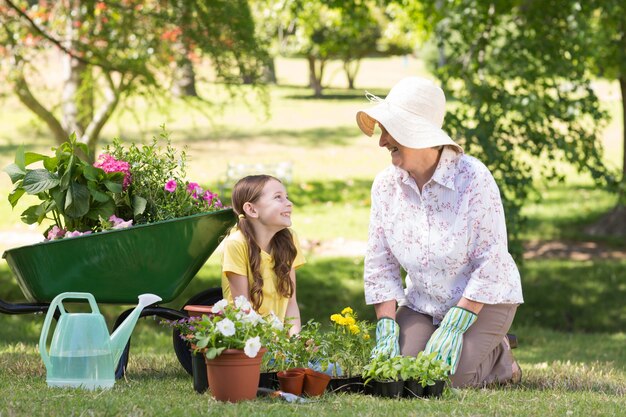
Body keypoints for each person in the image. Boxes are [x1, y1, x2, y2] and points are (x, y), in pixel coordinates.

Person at [356, 77, 524, 387]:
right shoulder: (385, 185)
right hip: (423, 301)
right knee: (399, 373)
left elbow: (491, 261)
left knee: (444, 380)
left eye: (389, 131)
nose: (381, 142)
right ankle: (452, 342)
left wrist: (456, 325)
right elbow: (380, 261)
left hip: (484, 300)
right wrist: (386, 325)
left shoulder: (473, 177)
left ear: (417, 134)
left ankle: (501, 358)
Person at [221, 174, 305, 336]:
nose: (289, 203)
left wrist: (296, 342)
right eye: (278, 198)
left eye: (286, 197)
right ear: (251, 209)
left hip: (280, 345)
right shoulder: (236, 243)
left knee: (329, 363)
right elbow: (242, 308)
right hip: (250, 341)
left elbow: (291, 303)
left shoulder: (289, 239)